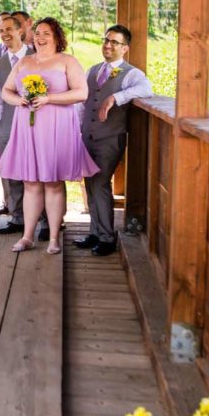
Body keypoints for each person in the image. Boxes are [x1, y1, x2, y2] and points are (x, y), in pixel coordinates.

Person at [0, 17, 99, 254]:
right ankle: (27, 236)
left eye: (46, 33)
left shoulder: (67, 61)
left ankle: (54, 238)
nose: (40, 38)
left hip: (57, 127)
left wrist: (49, 98)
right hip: (27, 127)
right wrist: (19, 100)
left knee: (53, 183)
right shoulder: (24, 61)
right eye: (37, 33)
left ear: (56, 37)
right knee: (30, 182)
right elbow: (6, 91)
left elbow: (81, 93)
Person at [74, 24, 152, 256]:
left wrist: (115, 98)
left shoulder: (133, 74)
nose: (108, 45)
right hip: (87, 135)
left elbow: (146, 89)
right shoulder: (93, 70)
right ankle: (94, 232)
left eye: (114, 42)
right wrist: (77, 130)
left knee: (100, 182)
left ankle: (107, 238)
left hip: (109, 138)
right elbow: (82, 104)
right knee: (90, 182)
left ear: (125, 48)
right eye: (106, 40)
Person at [0, 14, 35, 235]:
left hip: (35, 124)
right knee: (11, 171)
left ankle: (45, 220)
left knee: (36, 170)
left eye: (9, 29)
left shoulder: (36, 57)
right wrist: (0, 121)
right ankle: (18, 217)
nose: (5, 34)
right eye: (1, 30)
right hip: (7, 123)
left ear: (20, 31)